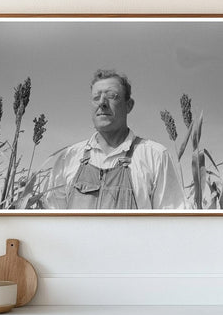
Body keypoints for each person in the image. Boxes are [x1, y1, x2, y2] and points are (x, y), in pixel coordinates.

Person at [44, 69, 184, 210]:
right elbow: (54, 222)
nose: (102, 103)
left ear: (129, 105)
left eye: (112, 96)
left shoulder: (155, 156)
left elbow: (172, 220)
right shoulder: (68, 158)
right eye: (96, 97)